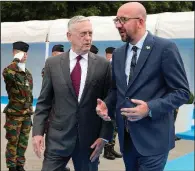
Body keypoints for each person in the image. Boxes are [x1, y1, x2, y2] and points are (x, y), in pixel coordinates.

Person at [96, 2, 190, 171]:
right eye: (116, 20)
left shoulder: (165, 48)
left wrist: (149, 108)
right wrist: (107, 105)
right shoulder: (118, 54)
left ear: (140, 21)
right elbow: (117, 90)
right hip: (127, 140)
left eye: (123, 20)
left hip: (154, 140)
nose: (118, 25)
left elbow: (182, 92)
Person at [32, 16, 113, 171]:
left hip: (90, 140)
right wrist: (37, 132)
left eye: (90, 33)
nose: (88, 38)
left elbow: (109, 103)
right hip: (57, 138)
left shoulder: (103, 65)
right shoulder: (53, 64)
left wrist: (104, 136)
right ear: (69, 36)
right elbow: (44, 102)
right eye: (83, 34)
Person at [2, 41, 33, 171]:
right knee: (13, 142)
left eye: (25, 53)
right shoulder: (10, 70)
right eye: (20, 52)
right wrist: (16, 59)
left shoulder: (28, 74)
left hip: (26, 114)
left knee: (23, 142)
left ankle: (20, 165)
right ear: (14, 53)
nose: (24, 55)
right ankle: (11, 167)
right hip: (14, 114)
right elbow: (7, 73)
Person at [41, 44, 70, 171]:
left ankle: (62, 166)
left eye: (60, 55)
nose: (58, 57)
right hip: (51, 113)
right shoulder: (48, 68)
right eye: (56, 54)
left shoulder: (67, 68)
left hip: (63, 113)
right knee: (51, 144)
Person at [103, 47, 122, 160]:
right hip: (109, 102)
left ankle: (111, 148)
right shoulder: (107, 66)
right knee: (109, 125)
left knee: (114, 127)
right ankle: (106, 150)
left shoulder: (116, 66)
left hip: (116, 102)